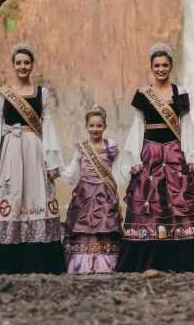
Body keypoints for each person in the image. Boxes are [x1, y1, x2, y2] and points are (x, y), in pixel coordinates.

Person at [116, 42, 194, 272]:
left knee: (178, 200)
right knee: (148, 200)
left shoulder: (180, 92)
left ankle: (183, 260)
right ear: (151, 67)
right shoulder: (143, 94)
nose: (161, 69)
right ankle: (148, 259)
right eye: (157, 65)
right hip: (149, 152)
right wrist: (134, 160)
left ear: (171, 66)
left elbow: (187, 124)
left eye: (165, 65)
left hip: (174, 153)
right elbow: (138, 124)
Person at [0, 42, 66, 274]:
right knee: (12, 195)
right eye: (19, 63)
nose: (23, 66)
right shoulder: (3, 94)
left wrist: (52, 161)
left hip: (35, 149)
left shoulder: (41, 93)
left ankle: (39, 259)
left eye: (27, 62)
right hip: (10, 149)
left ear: (32, 65)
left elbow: (48, 125)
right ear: (13, 65)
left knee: (37, 197)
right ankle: (9, 260)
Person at [59, 106, 126, 274]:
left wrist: (132, 169)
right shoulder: (81, 147)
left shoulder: (111, 146)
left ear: (105, 127)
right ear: (86, 126)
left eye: (99, 126)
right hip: (84, 192)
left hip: (105, 192)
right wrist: (58, 169)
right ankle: (80, 265)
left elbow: (118, 168)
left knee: (105, 224)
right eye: (91, 125)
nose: (95, 129)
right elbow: (72, 169)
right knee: (82, 225)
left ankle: (106, 264)